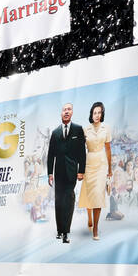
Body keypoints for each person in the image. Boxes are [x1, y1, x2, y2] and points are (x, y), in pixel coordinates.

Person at [46, 102, 87, 243]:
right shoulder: (55, 132)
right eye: (64, 110)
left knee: (69, 200)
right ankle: (59, 230)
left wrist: (81, 170)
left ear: (72, 112)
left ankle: (66, 232)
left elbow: (82, 152)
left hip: (72, 172)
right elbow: (51, 155)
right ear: (61, 113)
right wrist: (50, 174)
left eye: (69, 109)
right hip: (58, 172)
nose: (66, 112)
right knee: (59, 200)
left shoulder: (78, 129)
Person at [78, 101, 113, 241]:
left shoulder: (106, 128)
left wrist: (110, 169)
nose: (97, 115)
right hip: (89, 162)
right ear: (91, 114)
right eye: (95, 112)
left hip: (101, 163)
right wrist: (79, 170)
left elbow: (108, 149)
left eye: (99, 112)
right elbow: (81, 151)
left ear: (102, 114)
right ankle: (89, 217)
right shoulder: (86, 130)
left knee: (98, 194)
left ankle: (96, 228)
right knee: (88, 193)